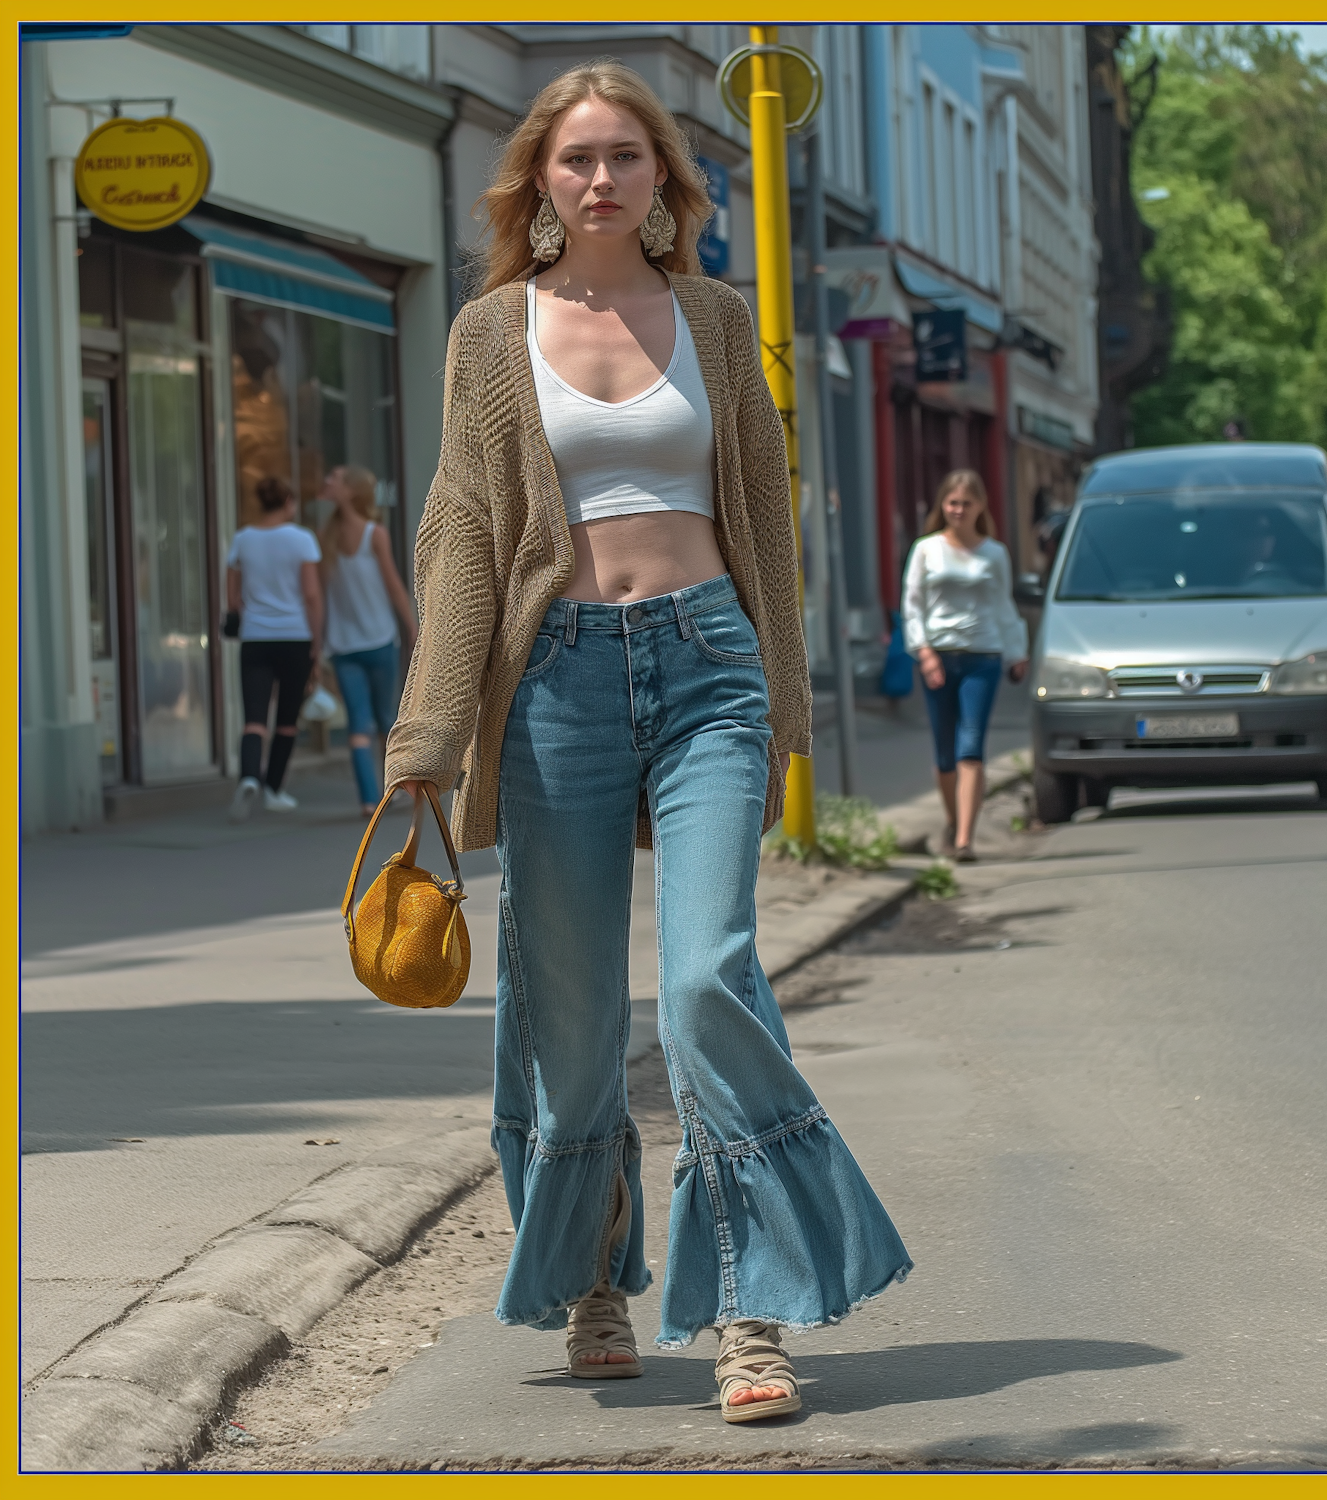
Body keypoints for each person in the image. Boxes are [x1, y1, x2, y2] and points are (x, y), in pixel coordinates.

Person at [382, 61, 910, 1422]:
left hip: (705, 669)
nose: (602, 178)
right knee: (570, 1017)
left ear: (667, 180)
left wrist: (782, 692)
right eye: (577, 159)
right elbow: (460, 540)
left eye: (626, 156)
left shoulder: (719, 321)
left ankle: (749, 1310)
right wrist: (427, 740)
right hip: (553, 682)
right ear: (541, 184)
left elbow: (769, 519)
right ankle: (598, 1280)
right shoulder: (491, 332)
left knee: (705, 981)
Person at [901, 469, 1029, 861]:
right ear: (943, 505)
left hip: (983, 658)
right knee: (944, 753)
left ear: (980, 507)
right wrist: (923, 654)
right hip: (938, 656)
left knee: (970, 747)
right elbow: (912, 604)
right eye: (952, 503)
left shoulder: (994, 553)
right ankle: (954, 820)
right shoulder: (926, 549)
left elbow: (1003, 606)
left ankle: (964, 841)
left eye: (966, 503)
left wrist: (1017, 651)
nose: (958, 510)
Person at [319, 465, 417, 816]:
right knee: (385, 718)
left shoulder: (326, 537)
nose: (328, 480)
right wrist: (412, 626)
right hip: (378, 640)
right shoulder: (374, 533)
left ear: (350, 491)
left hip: (343, 645)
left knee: (359, 722)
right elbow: (393, 584)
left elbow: (318, 596)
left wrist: (318, 645)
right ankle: (393, 791)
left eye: (336, 478)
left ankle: (368, 801)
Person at [226, 476, 323, 821]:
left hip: (255, 638)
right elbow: (311, 595)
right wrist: (317, 641)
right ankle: (274, 790)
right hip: (294, 637)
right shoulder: (301, 539)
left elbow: (233, 598)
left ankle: (249, 776)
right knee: (286, 721)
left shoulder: (242, 540)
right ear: (287, 503)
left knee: (254, 720)